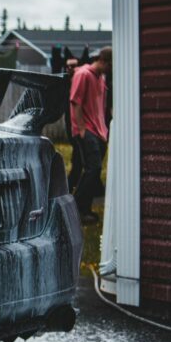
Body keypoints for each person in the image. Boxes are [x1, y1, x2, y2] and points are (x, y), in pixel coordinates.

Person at [70, 46, 111, 225]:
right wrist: (81, 129)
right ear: (102, 61)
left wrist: (104, 130)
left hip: (99, 131)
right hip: (86, 130)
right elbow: (75, 102)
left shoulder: (101, 78)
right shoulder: (83, 74)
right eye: (110, 65)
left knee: (94, 172)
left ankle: (84, 210)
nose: (111, 70)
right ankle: (75, 209)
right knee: (92, 168)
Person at [62, 56, 83, 193]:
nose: (70, 68)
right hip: (71, 124)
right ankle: (70, 186)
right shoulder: (65, 83)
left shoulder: (81, 80)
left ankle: (72, 185)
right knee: (78, 157)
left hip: (80, 125)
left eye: (73, 66)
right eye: (68, 66)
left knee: (79, 158)